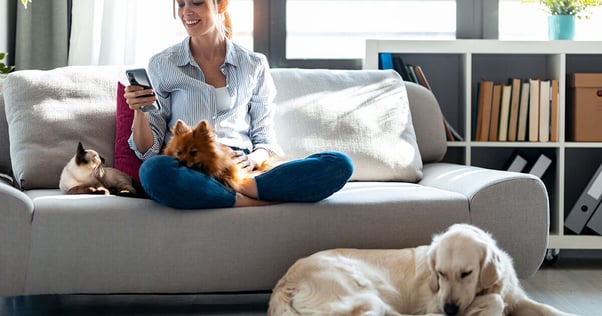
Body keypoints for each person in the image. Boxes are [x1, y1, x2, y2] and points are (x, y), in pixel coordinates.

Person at [124, 0, 353, 209]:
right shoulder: (163, 64)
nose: (186, 12)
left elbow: (264, 139)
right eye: (181, 4)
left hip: (241, 168)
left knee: (338, 164)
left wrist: (252, 159)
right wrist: (139, 111)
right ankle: (245, 200)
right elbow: (147, 151)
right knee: (153, 171)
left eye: (196, 3)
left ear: (220, 5)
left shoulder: (253, 64)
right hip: (189, 167)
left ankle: (241, 188)